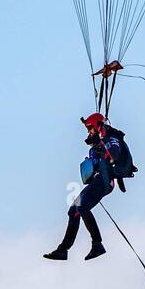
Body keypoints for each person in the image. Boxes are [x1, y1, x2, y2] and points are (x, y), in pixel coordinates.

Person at [43, 112, 121, 261]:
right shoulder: (95, 146)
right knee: (73, 210)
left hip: (105, 181)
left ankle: (97, 244)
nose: (88, 132)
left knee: (82, 207)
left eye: (90, 128)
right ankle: (63, 250)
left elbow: (115, 153)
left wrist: (104, 149)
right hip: (97, 181)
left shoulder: (109, 139)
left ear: (98, 126)